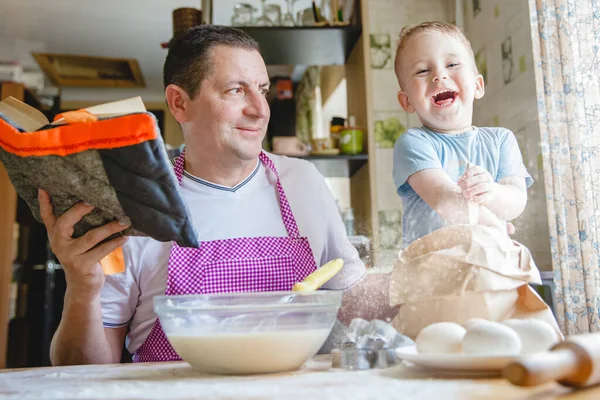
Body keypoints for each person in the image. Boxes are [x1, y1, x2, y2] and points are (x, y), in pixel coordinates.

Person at [43, 25, 366, 365]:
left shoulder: (304, 182)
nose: (260, 110)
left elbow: (353, 299)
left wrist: (414, 278)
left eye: (263, 90)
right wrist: (82, 289)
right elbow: (84, 370)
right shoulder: (134, 207)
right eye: (235, 91)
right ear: (180, 103)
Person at [392, 21, 532, 247]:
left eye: (452, 64)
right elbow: (443, 198)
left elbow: (516, 202)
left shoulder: (501, 140)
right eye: (423, 70)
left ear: (477, 85)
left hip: (488, 256)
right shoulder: (413, 143)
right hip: (431, 266)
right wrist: (492, 225)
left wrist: (492, 192)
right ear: (407, 101)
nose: (439, 75)